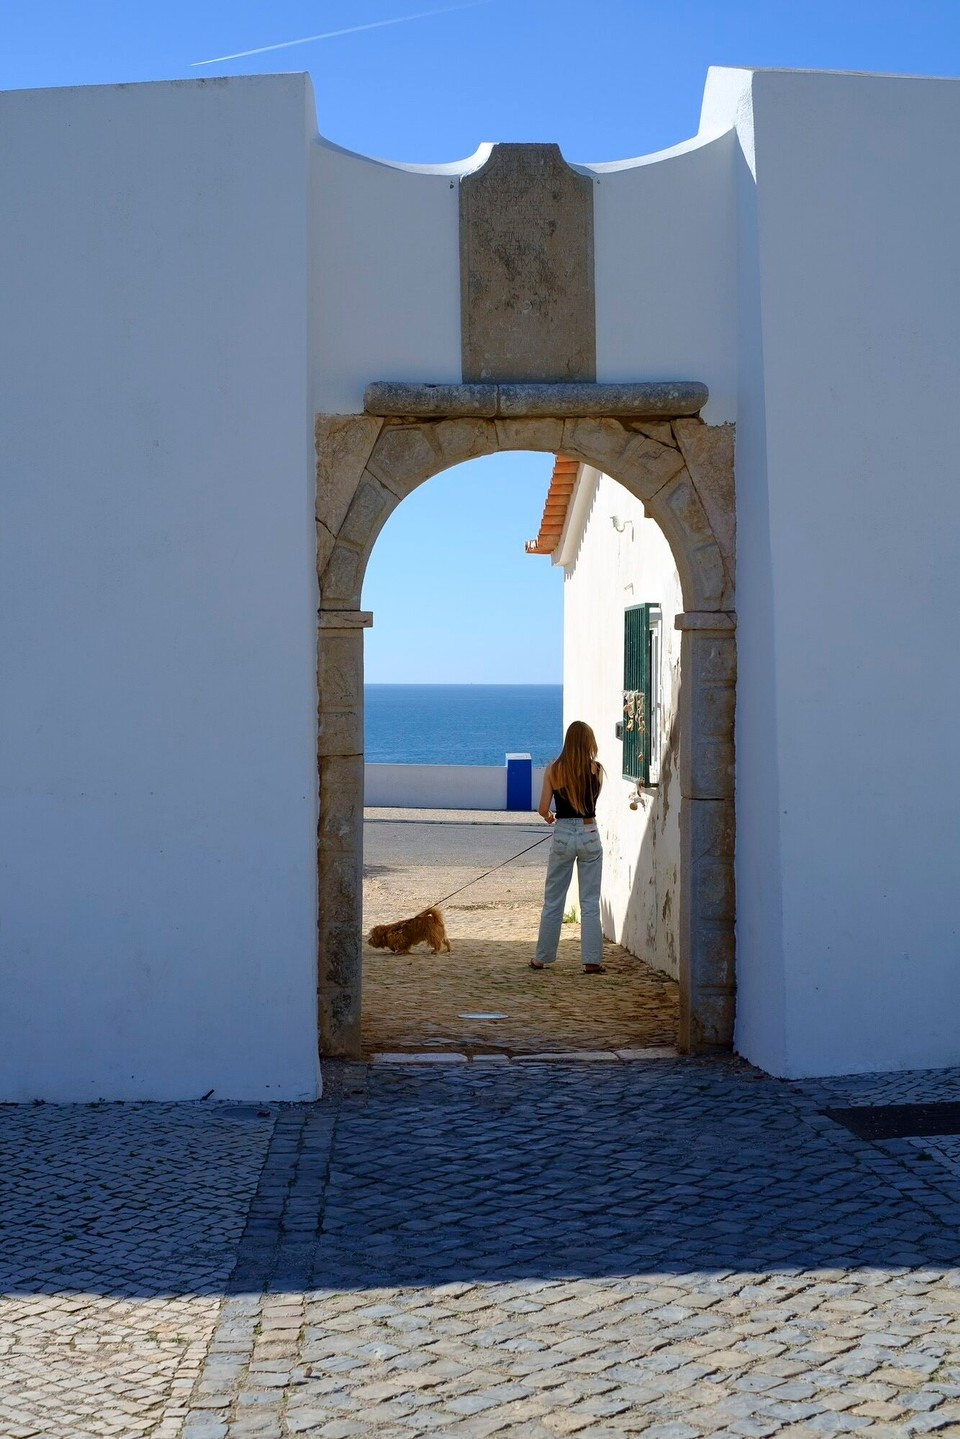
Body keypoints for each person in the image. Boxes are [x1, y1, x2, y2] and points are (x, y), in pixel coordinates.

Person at [530, 720, 606, 974]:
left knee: (553, 899)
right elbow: (591, 801)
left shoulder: (553, 769)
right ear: (588, 742)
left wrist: (549, 817)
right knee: (590, 901)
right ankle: (592, 961)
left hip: (563, 832)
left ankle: (541, 958)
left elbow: (542, 808)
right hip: (589, 831)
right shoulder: (596, 769)